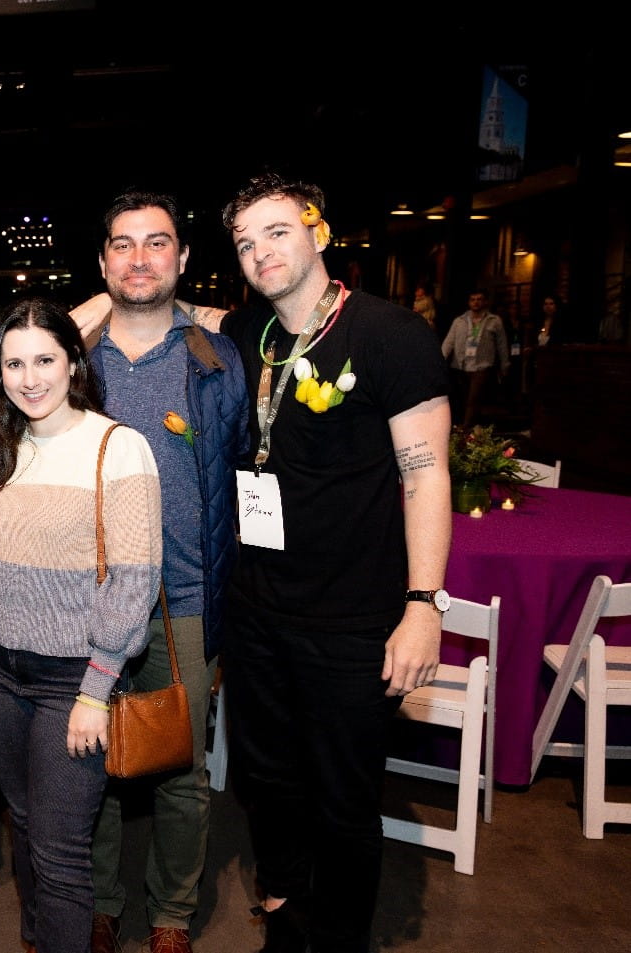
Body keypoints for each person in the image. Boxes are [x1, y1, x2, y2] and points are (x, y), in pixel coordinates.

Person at [216, 173, 450, 952]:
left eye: (277, 231)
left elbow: (426, 475)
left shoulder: (391, 334)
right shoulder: (253, 334)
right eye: (246, 242)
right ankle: (285, 918)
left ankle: (342, 937)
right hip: (257, 613)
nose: (261, 251)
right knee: (268, 784)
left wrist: (424, 603)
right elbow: (163, 307)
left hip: (353, 621)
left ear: (319, 230)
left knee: (342, 797)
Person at [0, 297, 162, 953]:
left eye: (44, 359)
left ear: (72, 362)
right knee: (28, 824)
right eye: (14, 363)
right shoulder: (2, 447)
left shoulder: (119, 448)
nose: (30, 377)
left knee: (61, 851)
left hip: (73, 679)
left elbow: (134, 581)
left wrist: (96, 688)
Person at [77, 191, 248, 953]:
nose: (139, 258)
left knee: (181, 769)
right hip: (86, 597)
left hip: (185, 595)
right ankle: (98, 900)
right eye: (123, 244)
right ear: (104, 261)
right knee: (93, 760)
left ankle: (173, 914)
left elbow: (246, 474)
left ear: (181, 258)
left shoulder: (217, 359)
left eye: (157, 243)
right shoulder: (73, 361)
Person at [441, 289, 510, 429]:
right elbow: (449, 342)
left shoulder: (494, 321)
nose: (476, 302)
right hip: (461, 365)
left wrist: (505, 364)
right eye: (473, 299)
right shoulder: (459, 321)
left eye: (479, 299)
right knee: (464, 399)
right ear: (468, 302)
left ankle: (465, 428)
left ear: (485, 301)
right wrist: (440, 360)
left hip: (482, 366)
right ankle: (473, 427)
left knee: (473, 398)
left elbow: (502, 344)